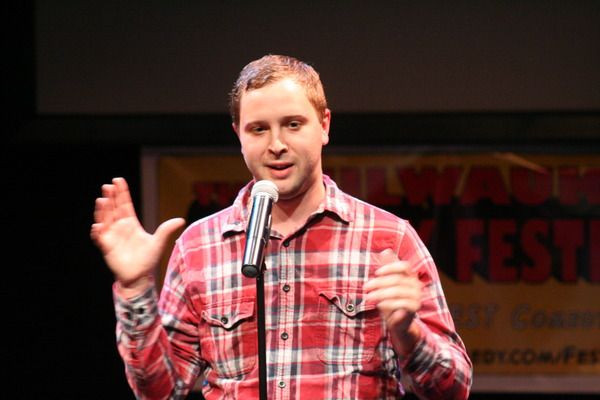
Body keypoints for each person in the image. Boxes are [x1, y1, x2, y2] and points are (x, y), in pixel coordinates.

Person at [91, 54, 473, 399]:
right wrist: (135, 288)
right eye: (258, 129)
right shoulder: (198, 247)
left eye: (292, 124)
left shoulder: (389, 239)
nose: (276, 144)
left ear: (324, 126)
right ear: (238, 135)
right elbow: (160, 391)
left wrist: (409, 335)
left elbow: (454, 389)